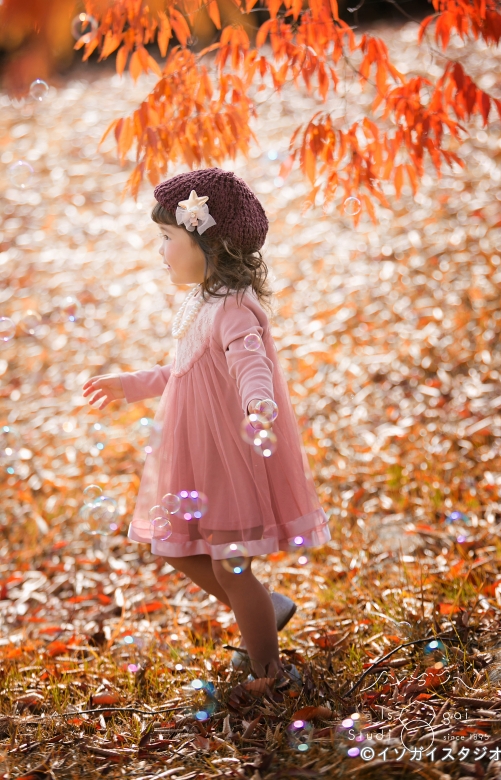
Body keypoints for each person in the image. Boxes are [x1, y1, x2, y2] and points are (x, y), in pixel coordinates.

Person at [82, 167, 331, 686]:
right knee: (179, 548)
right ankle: (268, 607)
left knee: (228, 566)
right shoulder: (202, 303)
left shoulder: (236, 308)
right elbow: (183, 371)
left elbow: (249, 360)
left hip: (229, 454)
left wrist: (257, 402)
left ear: (208, 244)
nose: (161, 251)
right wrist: (130, 383)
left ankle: (269, 671)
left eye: (168, 238)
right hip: (198, 453)